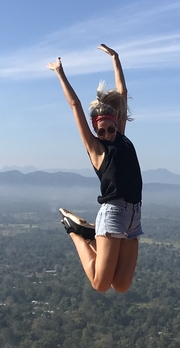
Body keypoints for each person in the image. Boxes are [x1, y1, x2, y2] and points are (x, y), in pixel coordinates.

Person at [49, 45, 142, 293]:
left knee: (121, 285)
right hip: (112, 213)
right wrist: (60, 72)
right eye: (101, 131)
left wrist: (116, 59)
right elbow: (75, 105)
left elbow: (122, 92)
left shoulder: (120, 137)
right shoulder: (96, 148)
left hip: (134, 214)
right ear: (96, 131)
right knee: (100, 285)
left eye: (110, 129)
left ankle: (90, 234)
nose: (107, 134)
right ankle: (76, 232)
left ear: (116, 124)